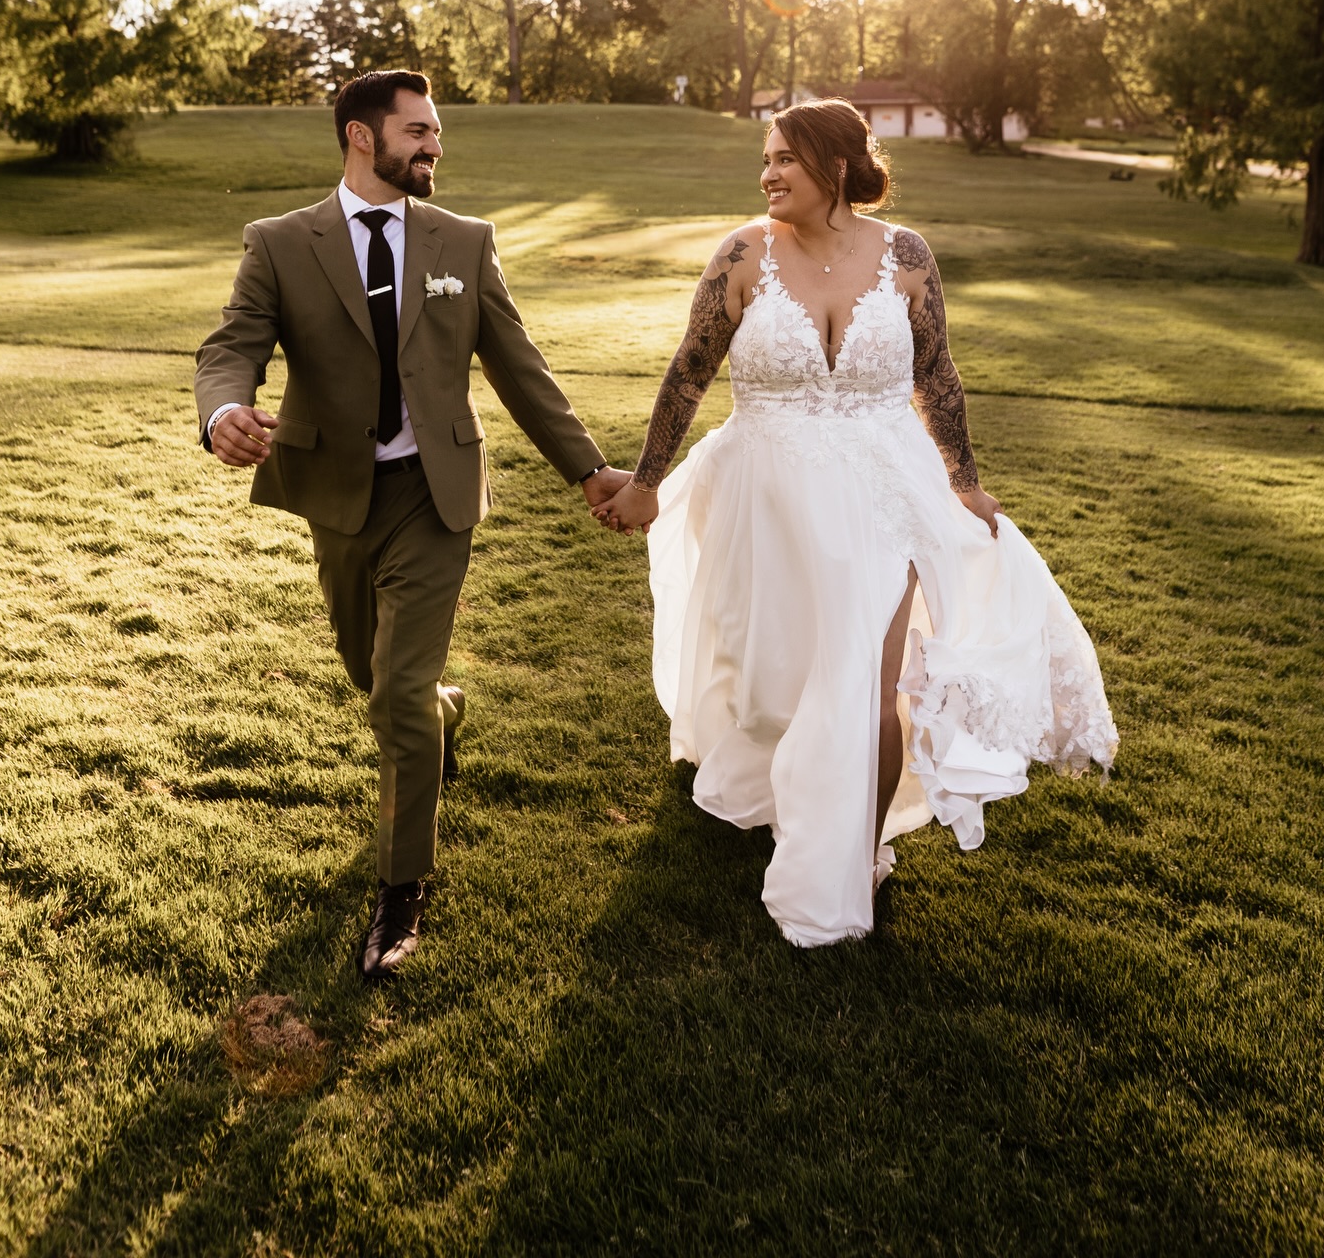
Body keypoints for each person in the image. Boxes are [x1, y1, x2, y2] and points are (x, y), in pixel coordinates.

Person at [598, 99, 1118, 947]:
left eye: (783, 161)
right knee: (777, 682)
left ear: (835, 167)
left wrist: (966, 482)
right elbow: (687, 375)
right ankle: (778, 786)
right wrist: (648, 481)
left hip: (886, 495)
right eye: (764, 160)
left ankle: (857, 855)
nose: (767, 175)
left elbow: (937, 378)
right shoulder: (742, 254)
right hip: (765, 493)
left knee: (869, 687)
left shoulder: (906, 254)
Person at [195, 71, 630, 980]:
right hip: (339, 495)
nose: (435, 146)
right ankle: (443, 715)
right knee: (374, 674)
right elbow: (233, 344)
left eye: (437, 133)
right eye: (419, 132)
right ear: (362, 136)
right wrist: (222, 412)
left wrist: (589, 470)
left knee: (394, 690)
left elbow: (519, 366)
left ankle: (400, 895)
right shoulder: (280, 243)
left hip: (438, 493)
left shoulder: (464, 243)